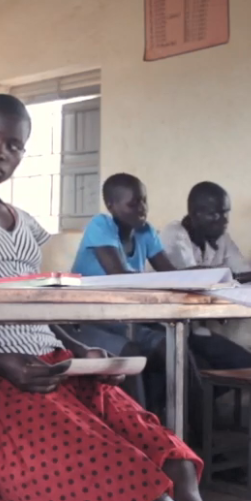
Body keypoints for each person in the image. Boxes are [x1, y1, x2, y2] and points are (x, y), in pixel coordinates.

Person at [0, 94, 207, 501]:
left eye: (12, 145)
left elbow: (32, 306)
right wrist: (2, 363)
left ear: (22, 154)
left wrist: (80, 351)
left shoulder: (26, 224)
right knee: (138, 494)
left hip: (56, 367)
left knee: (177, 463)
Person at [66, 173, 180, 415]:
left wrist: (199, 275)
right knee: (131, 352)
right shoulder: (101, 225)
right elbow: (119, 276)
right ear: (111, 205)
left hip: (123, 319)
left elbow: (171, 275)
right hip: (86, 320)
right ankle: (138, 428)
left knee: (172, 346)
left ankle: (185, 429)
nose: (142, 209)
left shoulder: (146, 232)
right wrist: (167, 279)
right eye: (133, 203)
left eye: (144, 201)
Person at [160, 181, 251, 368]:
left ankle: (202, 397)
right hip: (164, 329)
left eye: (225, 213)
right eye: (215, 214)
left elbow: (244, 271)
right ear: (195, 214)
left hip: (194, 329)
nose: (223, 220)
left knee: (248, 365)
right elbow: (197, 280)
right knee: (194, 374)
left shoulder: (221, 238)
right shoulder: (174, 235)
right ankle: (196, 397)